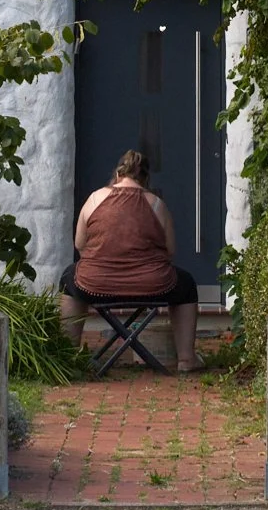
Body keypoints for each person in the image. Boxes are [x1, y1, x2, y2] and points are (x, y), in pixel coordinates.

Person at [60, 150, 202, 372]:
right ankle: (186, 359)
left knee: (69, 278)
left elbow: (79, 244)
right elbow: (170, 250)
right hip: (153, 286)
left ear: (118, 173)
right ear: (145, 178)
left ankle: (68, 358)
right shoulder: (156, 203)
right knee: (187, 283)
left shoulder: (95, 199)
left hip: (95, 285)